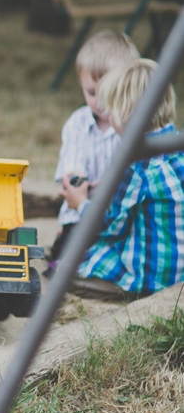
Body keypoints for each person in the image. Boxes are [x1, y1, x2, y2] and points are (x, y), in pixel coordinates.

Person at [62, 58, 184, 296]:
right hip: (180, 268)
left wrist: (80, 203)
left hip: (152, 276)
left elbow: (107, 225)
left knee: (69, 268)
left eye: (110, 111)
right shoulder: (177, 145)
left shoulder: (135, 161)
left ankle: (124, 292)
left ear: (123, 114)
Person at [46, 31, 139, 277]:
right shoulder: (77, 124)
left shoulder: (133, 126)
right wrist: (79, 183)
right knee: (69, 252)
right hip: (80, 213)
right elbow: (71, 170)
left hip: (118, 217)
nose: (99, 102)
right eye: (91, 92)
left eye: (108, 93)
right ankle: (63, 253)